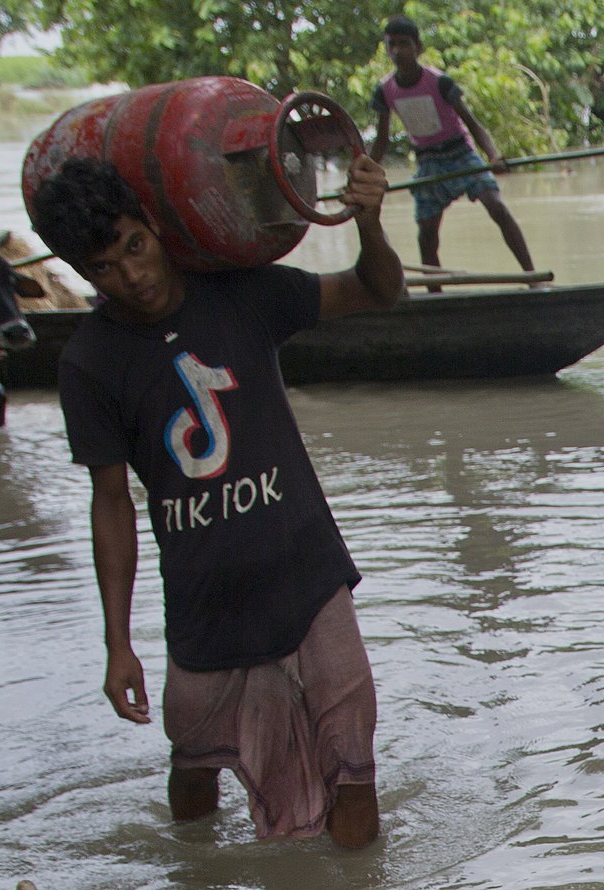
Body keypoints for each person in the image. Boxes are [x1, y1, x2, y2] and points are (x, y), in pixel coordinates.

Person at [33, 151, 405, 848]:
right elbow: (109, 503)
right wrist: (118, 645)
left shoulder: (244, 295)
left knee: (353, 770)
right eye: (104, 269)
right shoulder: (89, 362)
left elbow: (374, 289)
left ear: (154, 223)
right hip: (207, 606)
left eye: (135, 248)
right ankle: (200, 885)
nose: (133, 277)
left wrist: (371, 222)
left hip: (307, 577)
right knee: (196, 764)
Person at [371, 16, 535, 272]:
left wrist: (493, 156)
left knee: (497, 207)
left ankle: (533, 277)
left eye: (404, 44)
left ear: (418, 48)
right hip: (428, 161)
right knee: (426, 234)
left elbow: (472, 123)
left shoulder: (439, 82)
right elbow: (381, 140)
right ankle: (434, 293)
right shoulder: (385, 90)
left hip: (460, 152)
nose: (398, 51)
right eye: (392, 45)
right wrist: (366, 176)